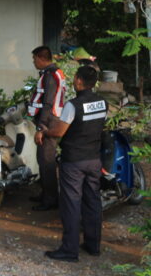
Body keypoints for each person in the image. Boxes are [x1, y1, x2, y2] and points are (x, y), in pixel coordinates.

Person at [35, 65, 106, 262]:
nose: (74, 81)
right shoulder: (102, 102)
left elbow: (59, 132)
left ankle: (69, 250)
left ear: (80, 81)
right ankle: (93, 245)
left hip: (74, 161)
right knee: (92, 202)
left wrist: (44, 132)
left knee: (71, 204)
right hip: (93, 159)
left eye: (75, 78)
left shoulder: (72, 105)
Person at [28, 45, 66, 211]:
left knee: (47, 161)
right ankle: (46, 194)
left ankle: (50, 200)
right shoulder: (56, 72)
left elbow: (48, 103)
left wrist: (41, 127)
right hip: (52, 119)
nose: (33, 62)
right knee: (42, 159)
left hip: (49, 121)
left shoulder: (50, 75)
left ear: (41, 58)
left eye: (34, 58)